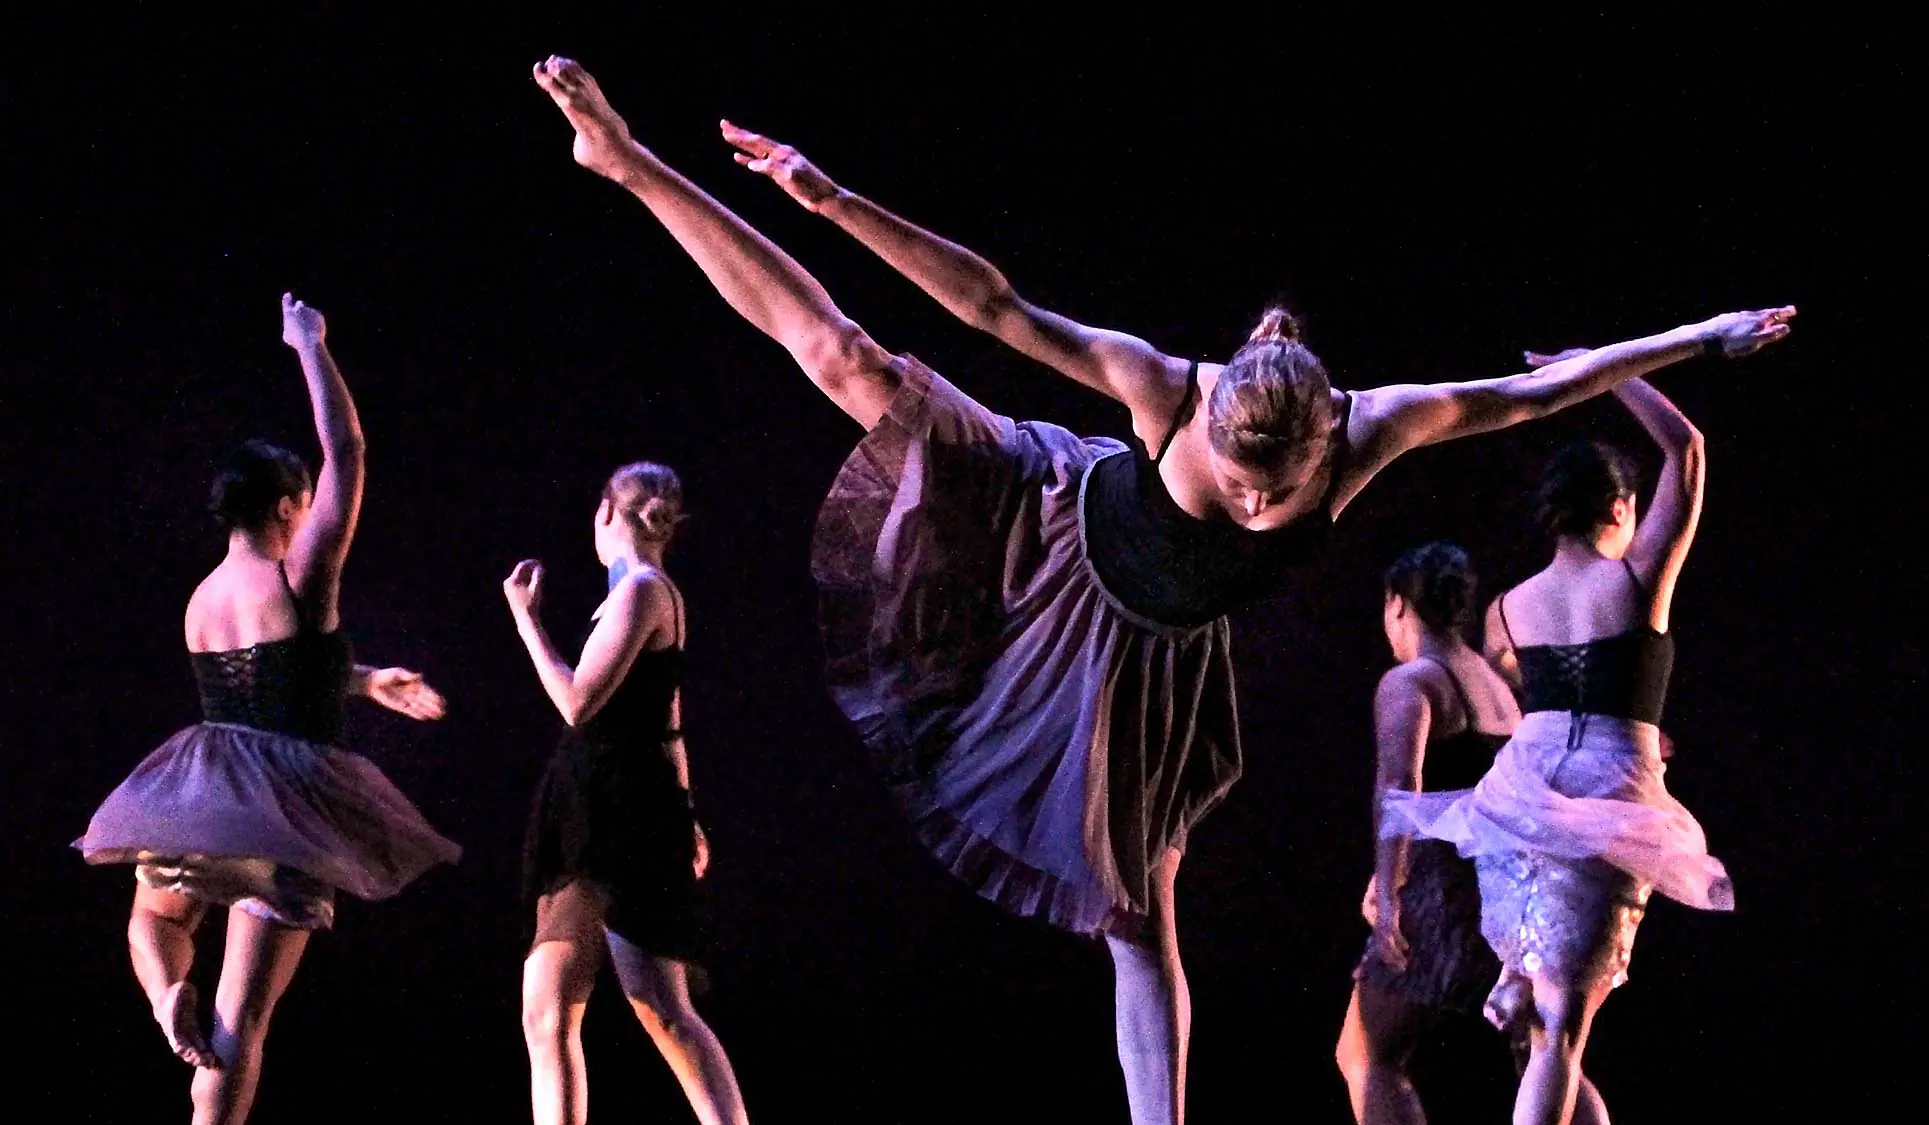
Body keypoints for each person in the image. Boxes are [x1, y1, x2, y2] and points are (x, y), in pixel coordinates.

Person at [532, 56, 1791, 1125]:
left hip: (1156, 652)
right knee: (850, 362)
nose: (1254, 509)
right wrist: (836, 199)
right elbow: (990, 302)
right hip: (1052, 529)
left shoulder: (1372, 428)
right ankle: (629, 163)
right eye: (1237, 486)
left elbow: (1532, 395)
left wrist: (1702, 335)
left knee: (1138, 915)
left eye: (1272, 495)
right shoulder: (1163, 387)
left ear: (1321, 449)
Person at [75, 295, 462, 1125]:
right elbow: (349, 451)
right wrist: (310, 344)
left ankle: (163, 992)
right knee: (241, 1021)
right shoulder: (300, 576)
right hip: (285, 811)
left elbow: (264, 680)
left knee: (154, 918)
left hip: (201, 791)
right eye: (306, 500)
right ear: (289, 508)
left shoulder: (201, 599)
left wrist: (362, 680)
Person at [1381, 366, 1733, 1125]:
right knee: (1560, 1035)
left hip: (1527, 794)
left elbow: (1530, 710)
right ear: (1619, 506)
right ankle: (1515, 982)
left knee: (1548, 1022)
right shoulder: (1638, 580)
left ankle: (1512, 975)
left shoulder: (1508, 609)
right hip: (1607, 797)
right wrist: (1612, 367)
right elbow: (1690, 449)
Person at [504, 461, 749, 1125]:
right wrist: (689, 810)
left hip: (618, 810)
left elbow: (579, 702)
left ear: (607, 513)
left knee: (660, 1007)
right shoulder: (633, 594)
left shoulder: (643, 589)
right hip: (600, 803)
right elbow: (668, 719)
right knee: (549, 999)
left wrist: (526, 620)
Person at [1336, 542, 1594, 1124]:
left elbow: (1399, 790)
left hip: (1446, 892)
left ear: (1398, 606)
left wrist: (1387, 890)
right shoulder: (1498, 689)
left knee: (1369, 1053)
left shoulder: (1413, 682)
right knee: (1545, 1054)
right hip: (1515, 892)